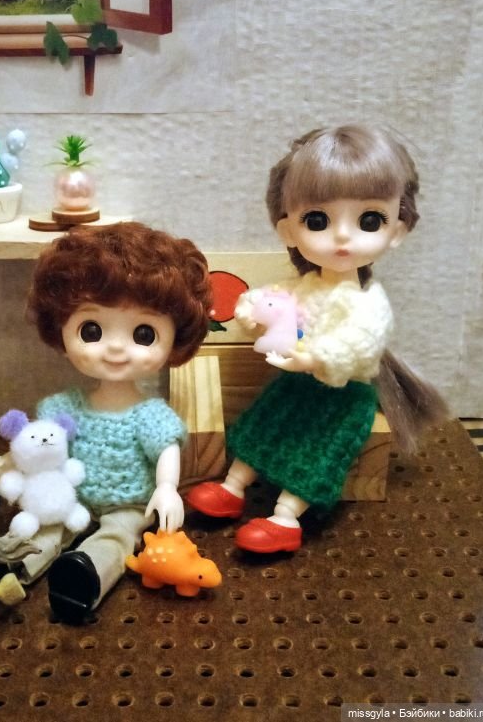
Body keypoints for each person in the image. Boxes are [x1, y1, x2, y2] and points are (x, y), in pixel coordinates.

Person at [186, 125, 447, 553]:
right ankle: (232, 488)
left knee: (316, 452)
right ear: (288, 230)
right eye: (318, 221)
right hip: (297, 384)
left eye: (369, 220)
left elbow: (361, 340)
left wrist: (316, 357)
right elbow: (272, 302)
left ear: (398, 229)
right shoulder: (305, 286)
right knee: (262, 426)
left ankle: (285, 518)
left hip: (343, 397)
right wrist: (253, 312)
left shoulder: (369, 302)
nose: (342, 236)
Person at [18, 221, 212, 622]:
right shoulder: (67, 406)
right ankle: (9, 564)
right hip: (69, 494)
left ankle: (86, 578)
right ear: (60, 328)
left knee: (120, 535)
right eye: (92, 330)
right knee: (45, 526)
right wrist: (15, 463)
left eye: (144, 334)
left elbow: (166, 449)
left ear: (175, 340)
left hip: (131, 501)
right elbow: (39, 444)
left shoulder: (149, 414)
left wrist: (167, 489)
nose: (116, 349)